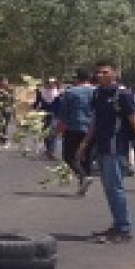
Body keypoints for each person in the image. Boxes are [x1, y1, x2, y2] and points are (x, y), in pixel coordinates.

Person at [75, 61, 135, 244]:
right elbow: (95, 122)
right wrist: (85, 144)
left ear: (114, 73)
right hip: (102, 147)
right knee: (109, 189)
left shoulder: (123, 95)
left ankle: (123, 228)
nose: (100, 75)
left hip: (116, 147)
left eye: (105, 72)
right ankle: (117, 224)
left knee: (115, 188)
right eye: (97, 73)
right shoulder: (98, 94)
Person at [57, 68, 96, 196]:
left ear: (77, 78)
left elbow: (64, 113)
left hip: (74, 127)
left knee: (68, 156)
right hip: (91, 128)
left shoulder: (70, 92)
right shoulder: (96, 92)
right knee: (87, 156)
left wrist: (59, 129)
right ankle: (83, 183)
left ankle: (82, 176)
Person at [34, 78, 61, 159]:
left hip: (55, 114)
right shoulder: (42, 92)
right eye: (49, 83)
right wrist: (34, 109)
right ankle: (48, 149)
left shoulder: (59, 93)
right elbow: (37, 102)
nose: (51, 84)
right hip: (44, 114)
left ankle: (52, 151)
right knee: (45, 132)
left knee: (53, 132)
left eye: (53, 83)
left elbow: (61, 104)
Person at [0, 79, 17, 150]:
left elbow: (13, 101)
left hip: (7, 110)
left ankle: (4, 142)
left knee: (5, 126)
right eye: (4, 82)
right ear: (0, 83)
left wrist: (13, 110)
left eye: (6, 81)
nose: (5, 83)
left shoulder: (10, 90)